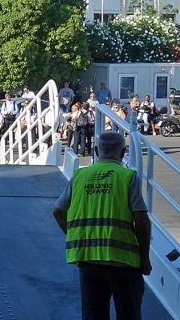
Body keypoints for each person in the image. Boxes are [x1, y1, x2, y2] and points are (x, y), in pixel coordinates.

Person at [53, 131, 151, 320]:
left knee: (93, 315)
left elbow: (58, 211)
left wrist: (74, 236)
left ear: (97, 151)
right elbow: (141, 221)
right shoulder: (127, 176)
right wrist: (144, 258)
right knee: (129, 314)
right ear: (122, 152)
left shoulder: (79, 176)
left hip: (88, 259)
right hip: (123, 261)